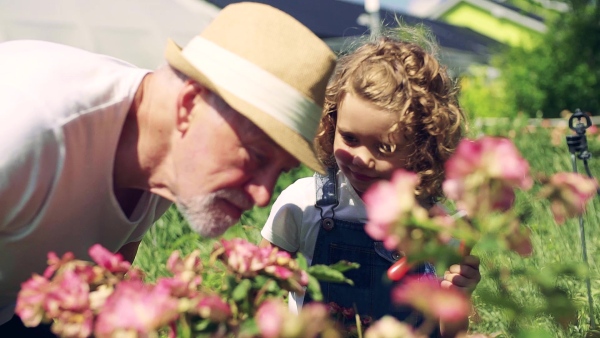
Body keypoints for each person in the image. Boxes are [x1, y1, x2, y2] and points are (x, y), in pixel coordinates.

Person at [0, 2, 337, 335]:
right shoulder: (26, 133)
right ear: (189, 104)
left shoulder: (171, 158)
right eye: (258, 156)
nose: (264, 196)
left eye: (280, 171)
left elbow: (104, 288)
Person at [260, 32, 481, 337]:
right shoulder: (304, 202)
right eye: (350, 138)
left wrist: (457, 296)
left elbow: (450, 333)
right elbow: (256, 288)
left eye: (384, 147)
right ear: (331, 123)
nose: (362, 159)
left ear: (422, 147)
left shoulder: (435, 224)